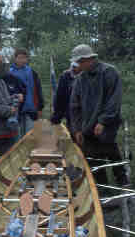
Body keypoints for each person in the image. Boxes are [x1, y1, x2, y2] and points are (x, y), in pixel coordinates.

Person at [69, 44, 128, 186]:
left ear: (89, 59)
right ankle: (102, 188)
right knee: (92, 156)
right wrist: (76, 129)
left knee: (110, 150)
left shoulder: (109, 72)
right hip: (87, 126)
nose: (79, 66)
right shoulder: (80, 79)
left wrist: (103, 121)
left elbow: (114, 100)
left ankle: (123, 181)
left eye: (80, 62)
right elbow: (74, 107)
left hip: (108, 123)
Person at [9, 48, 44, 137]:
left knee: (30, 136)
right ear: (15, 58)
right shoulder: (9, 73)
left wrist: (40, 107)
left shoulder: (32, 73)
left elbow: (38, 90)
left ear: (27, 59)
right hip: (16, 110)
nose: (22, 60)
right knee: (17, 136)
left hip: (31, 109)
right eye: (20, 58)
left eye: (24, 58)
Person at [50, 61, 81, 135]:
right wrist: (56, 116)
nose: (74, 69)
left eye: (76, 67)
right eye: (73, 66)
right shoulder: (65, 76)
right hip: (71, 114)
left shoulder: (87, 76)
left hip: (85, 116)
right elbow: (60, 98)